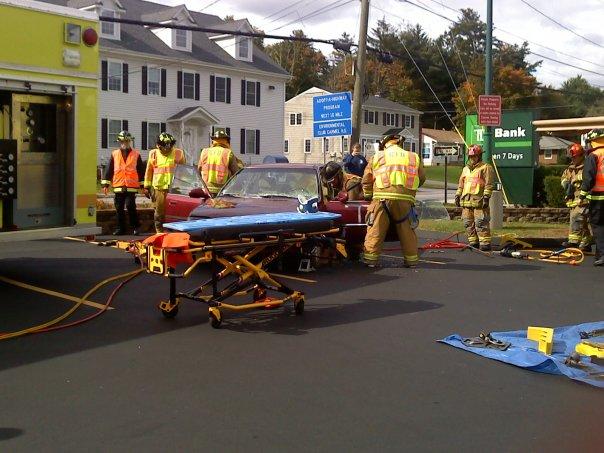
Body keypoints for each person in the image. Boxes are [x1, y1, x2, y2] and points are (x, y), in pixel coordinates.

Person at [361, 134, 425, 268]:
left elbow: (367, 178)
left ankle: (371, 260)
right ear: (399, 143)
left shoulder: (378, 156)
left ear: (385, 144)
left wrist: (368, 195)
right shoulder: (413, 157)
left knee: (376, 229)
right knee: (406, 230)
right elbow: (422, 178)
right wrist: (409, 190)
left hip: (381, 198)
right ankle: (411, 261)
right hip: (405, 200)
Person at [101, 130, 144, 235]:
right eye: (123, 142)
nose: (125, 143)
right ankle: (121, 228)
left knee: (130, 206)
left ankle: (136, 227)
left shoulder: (136, 155)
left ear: (130, 142)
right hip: (118, 186)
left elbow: (141, 171)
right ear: (120, 142)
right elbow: (109, 169)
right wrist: (105, 185)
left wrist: (143, 186)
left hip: (131, 186)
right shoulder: (114, 154)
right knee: (119, 208)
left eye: (127, 141)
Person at [455, 144, 494, 251]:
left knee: (481, 222)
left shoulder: (485, 168)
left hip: (479, 202)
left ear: (479, 156)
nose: (472, 159)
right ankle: (473, 242)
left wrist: (486, 197)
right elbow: (461, 184)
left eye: (475, 156)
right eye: (471, 157)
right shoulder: (465, 169)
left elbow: (489, 184)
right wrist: (458, 195)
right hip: (466, 202)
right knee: (468, 223)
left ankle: (485, 243)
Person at [144, 133, 186, 233]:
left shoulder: (178, 153)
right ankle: (159, 232)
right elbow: (149, 171)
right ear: (159, 145)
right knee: (159, 213)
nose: (167, 149)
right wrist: (146, 186)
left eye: (170, 146)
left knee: (175, 212)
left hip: (174, 189)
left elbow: (183, 171)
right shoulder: (153, 153)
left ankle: (173, 232)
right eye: (165, 147)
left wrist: (184, 186)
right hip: (158, 188)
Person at [580, 129, 604, 266]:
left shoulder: (594, 155)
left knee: (599, 226)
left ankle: (602, 255)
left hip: (599, 198)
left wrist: (582, 195)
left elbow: (588, 178)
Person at [561, 143, 591, 251]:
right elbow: (564, 177)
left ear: (580, 156)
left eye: (574, 157)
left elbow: (588, 178)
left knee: (576, 217)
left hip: (584, 198)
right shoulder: (570, 168)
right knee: (583, 223)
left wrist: (574, 180)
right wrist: (565, 184)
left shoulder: (587, 166)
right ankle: (586, 242)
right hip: (574, 199)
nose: (572, 159)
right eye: (571, 157)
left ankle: (573, 242)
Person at [198, 130, 240, 196]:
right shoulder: (228, 153)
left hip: (206, 189)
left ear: (213, 141)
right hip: (222, 190)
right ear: (226, 141)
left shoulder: (204, 152)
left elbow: (199, 170)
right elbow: (236, 173)